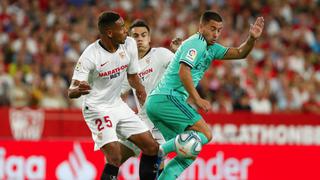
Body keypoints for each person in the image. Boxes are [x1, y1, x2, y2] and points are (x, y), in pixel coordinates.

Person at [146, 11, 264, 179]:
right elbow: (183, 71)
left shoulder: (211, 48)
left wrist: (252, 38)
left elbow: (240, 53)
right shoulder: (197, 42)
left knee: (189, 152)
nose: (216, 34)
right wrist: (197, 98)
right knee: (206, 134)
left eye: (219, 30)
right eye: (212, 29)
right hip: (167, 98)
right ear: (201, 27)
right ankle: (159, 152)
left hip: (159, 103)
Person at [68, 11, 160, 180]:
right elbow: (71, 90)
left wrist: (142, 94)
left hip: (117, 105)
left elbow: (132, 76)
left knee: (151, 147)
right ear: (109, 33)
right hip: (97, 108)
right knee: (115, 158)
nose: (126, 31)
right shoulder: (91, 55)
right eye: (122, 28)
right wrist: (78, 90)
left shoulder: (129, 44)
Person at [120, 19, 181, 177]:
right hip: (140, 120)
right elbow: (119, 90)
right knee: (115, 157)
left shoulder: (160, 54)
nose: (139, 38)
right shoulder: (128, 65)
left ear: (149, 38)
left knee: (154, 156)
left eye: (143, 35)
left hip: (160, 119)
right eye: (135, 36)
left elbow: (183, 70)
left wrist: (178, 53)